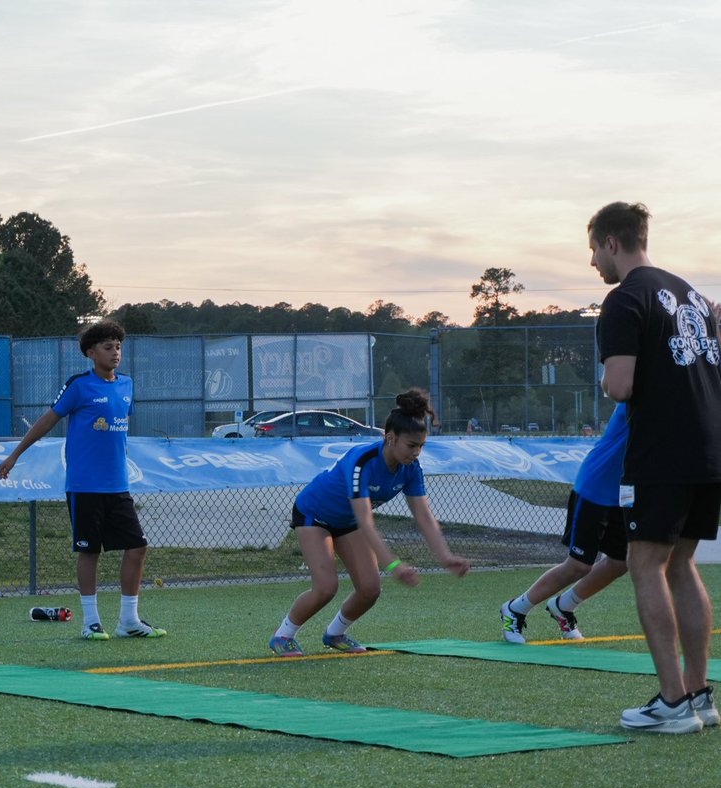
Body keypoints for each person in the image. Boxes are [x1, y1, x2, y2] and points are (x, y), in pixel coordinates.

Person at [591, 201, 721, 733]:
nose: (594, 263)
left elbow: (620, 386)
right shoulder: (690, 293)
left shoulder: (623, 300)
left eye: (594, 250)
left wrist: (606, 380)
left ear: (612, 243)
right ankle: (700, 695)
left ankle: (671, 704)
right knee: (682, 563)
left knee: (646, 565)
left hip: (662, 454)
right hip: (711, 448)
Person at [0, 320, 164, 641]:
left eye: (118, 346)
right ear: (91, 353)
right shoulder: (79, 385)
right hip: (84, 486)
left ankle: (129, 620)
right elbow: (48, 420)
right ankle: (91, 622)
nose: (115, 353)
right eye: (107, 347)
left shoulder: (126, 385)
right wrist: (15, 454)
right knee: (90, 552)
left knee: (138, 547)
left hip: (118, 486)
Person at [268, 389, 469, 657]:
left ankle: (335, 633)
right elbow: (365, 520)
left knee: (370, 589)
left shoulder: (411, 469)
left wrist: (446, 556)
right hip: (313, 515)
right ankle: (283, 635)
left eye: (421, 446)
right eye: (411, 445)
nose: (417, 453)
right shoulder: (362, 462)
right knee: (326, 587)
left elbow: (424, 516)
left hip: (347, 521)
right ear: (390, 438)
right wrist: (394, 565)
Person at [500, 403, 630, 643]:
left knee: (621, 562)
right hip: (596, 487)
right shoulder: (638, 394)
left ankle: (564, 605)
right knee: (580, 565)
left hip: (625, 493)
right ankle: (515, 609)